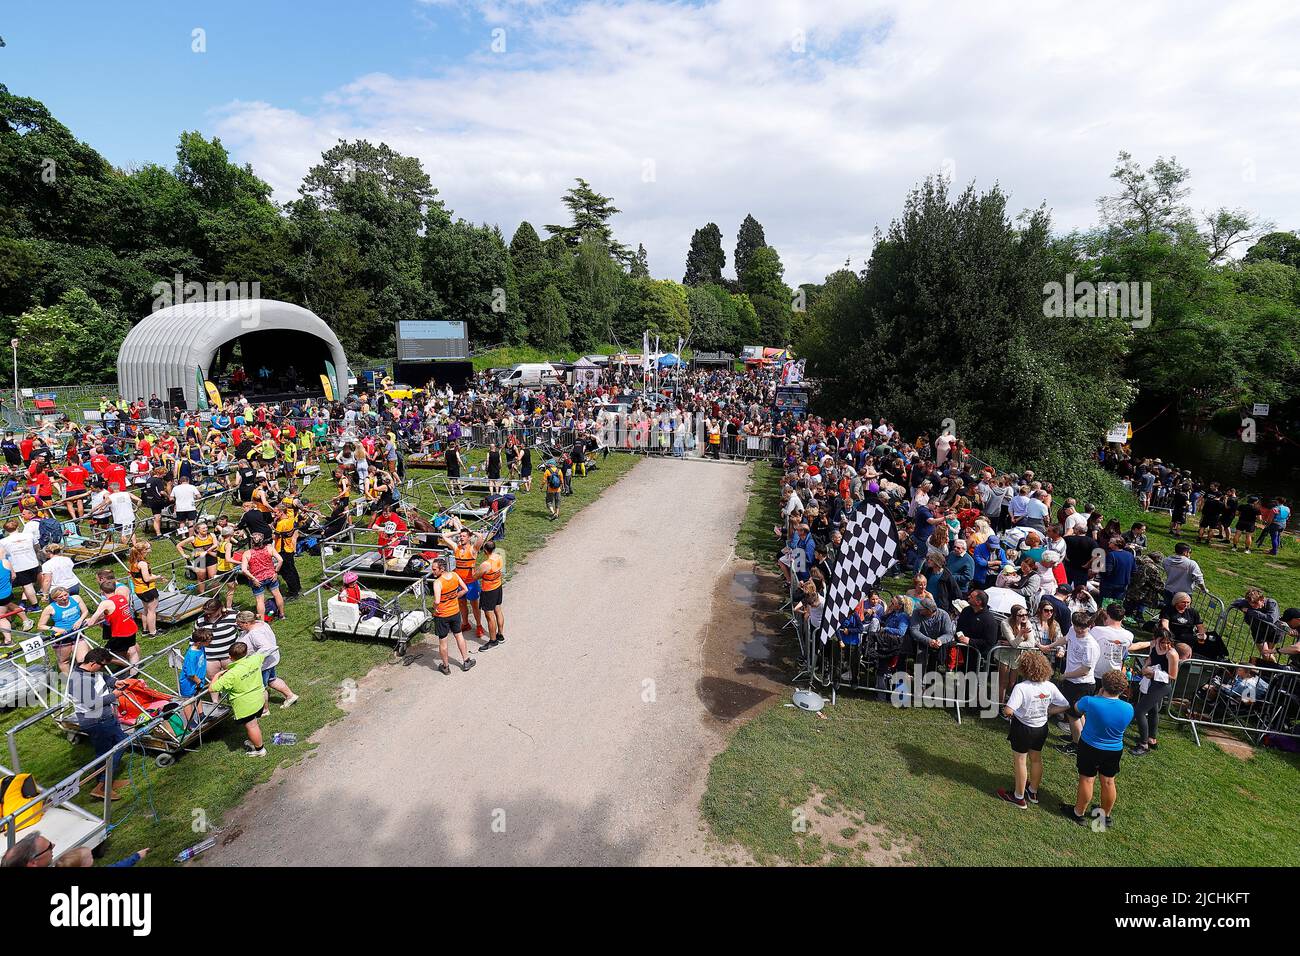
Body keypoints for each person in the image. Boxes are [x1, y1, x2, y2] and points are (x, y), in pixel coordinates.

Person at [996, 650, 1070, 809]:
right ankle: (1033, 791)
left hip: (1023, 728)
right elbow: (1065, 704)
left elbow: (1009, 710)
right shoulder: (1050, 686)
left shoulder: (1022, 687)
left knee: (1020, 761)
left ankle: (1018, 797)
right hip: (1041, 728)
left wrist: (1009, 713)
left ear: (1024, 668)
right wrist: (1049, 711)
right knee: (1036, 759)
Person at [1061, 669, 1134, 829]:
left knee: (1087, 779)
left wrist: (1097, 696)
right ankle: (1104, 816)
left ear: (1103, 686)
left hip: (1090, 746)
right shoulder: (1128, 708)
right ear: (1122, 689)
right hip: (1114, 749)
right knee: (1108, 781)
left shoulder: (1090, 701)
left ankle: (1078, 812)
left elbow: (1077, 708)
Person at [68, 647, 129, 800]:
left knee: (108, 749)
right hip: (96, 721)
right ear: (93, 663)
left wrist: (115, 682)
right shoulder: (78, 681)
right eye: (102, 665)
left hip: (105, 718)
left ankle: (107, 781)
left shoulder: (90, 671)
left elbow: (103, 677)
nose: (103, 668)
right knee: (109, 750)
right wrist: (113, 696)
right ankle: (102, 786)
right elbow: (92, 704)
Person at [1051, 610, 1100, 755]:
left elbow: (1085, 670)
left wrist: (1065, 675)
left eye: (1083, 628)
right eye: (1077, 626)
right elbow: (1065, 639)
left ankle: (1077, 746)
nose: (1079, 630)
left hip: (1082, 684)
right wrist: (1050, 646)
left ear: (1089, 626)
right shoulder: (1073, 630)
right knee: (1077, 715)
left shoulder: (1090, 645)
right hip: (1072, 682)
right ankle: (1080, 738)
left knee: (1073, 716)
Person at [209, 641, 268, 756]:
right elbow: (262, 655)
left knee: (252, 726)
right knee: (254, 723)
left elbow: (212, 688)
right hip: (258, 698)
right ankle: (253, 741)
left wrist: (216, 675)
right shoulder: (255, 659)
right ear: (246, 652)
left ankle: (260, 750)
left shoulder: (231, 674)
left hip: (245, 705)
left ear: (230, 657)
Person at [1127, 626, 1179, 755]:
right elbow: (1151, 659)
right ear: (1156, 640)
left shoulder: (1172, 654)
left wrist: (1153, 673)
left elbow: (1173, 676)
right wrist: (1145, 667)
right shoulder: (1154, 646)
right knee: (1153, 710)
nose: (1166, 645)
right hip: (1152, 682)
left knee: (1139, 711)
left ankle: (1143, 744)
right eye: (1162, 642)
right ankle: (1152, 739)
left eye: (1168, 642)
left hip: (1162, 686)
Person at [235, 611, 299, 711]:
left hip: (263, 664)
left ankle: (265, 710)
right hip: (270, 661)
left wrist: (254, 659)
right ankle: (290, 696)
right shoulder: (261, 623)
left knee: (261, 688)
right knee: (272, 680)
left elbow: (266, 647)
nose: (238, 626)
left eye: (239, 624)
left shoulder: (255, 634)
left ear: (246, 623)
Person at [83, 569, 140, 670]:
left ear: (102, 591)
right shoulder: (120, 597)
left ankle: (129, 666)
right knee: (130, 649)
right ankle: (134, 671)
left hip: (120, 632)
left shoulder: (105, 603)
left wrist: (89, 621)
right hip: (131, 628)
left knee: (106, 655)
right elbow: (116, 612)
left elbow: (91, 622)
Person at [430, 557, 475, 675]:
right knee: (459, 635)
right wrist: (455, 596)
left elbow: (437, 601)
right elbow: (465, 589)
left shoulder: (437, 583)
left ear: (442, 569)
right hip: (455, 612)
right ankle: (466, 661)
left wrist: (433, 608)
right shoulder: (455, 575)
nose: (433, 572)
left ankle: (445, 667)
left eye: (434, 569)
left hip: (442, 615)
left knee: (443, 641)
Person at [37, 586, 88, 674]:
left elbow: (85, 611)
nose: (64, 598)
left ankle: (85, 678)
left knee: (83, 659)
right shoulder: (50, 608)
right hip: (62, 637)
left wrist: (80, 620)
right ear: (54, 599)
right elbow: (40, 626)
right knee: (64, 661)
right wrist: (55, 629)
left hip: (78, 633)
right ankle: (69, 682)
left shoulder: (76, 598)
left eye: (66, 595)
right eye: (60, 597)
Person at [240, 532, 285, 621]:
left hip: (257, 580)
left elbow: (244, 570)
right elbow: (280, 560)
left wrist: (253, 579)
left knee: (260, 600)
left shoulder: (247, 553)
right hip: (271, 576)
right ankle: (282, 615)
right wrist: (276, 572)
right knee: (277, 594)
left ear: (252, 542)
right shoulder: (269, 549)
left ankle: (262, 622)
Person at [473, 539, 506, 650]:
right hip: (498, 586)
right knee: (498, 610)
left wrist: (474, 568)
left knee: (489, 616)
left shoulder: (486, 564)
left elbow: (475, 576)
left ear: (486, 551)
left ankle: (492, 640)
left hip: (488, 591)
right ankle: (500, 635)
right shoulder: (500, 557)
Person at [178, 628, 210, 725]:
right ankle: (190, 722)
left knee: (197, 695)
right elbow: (190, 674)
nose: (210, 642)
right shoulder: (192, 655)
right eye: (208, 641)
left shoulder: (201, 647)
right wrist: (198, 682)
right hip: (190, 681)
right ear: (200, 642)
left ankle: (201, 715)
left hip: (199, 679)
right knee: (188, 700)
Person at [127, 542, 159, 638]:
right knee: (152, 611)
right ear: (143, 551)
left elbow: (141, 576)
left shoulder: (133, 562)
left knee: (145, 610)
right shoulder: (143, 564)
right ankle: (153, 632)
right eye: (148, 548)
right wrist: (157, 577)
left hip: (139, 590)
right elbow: (147, 579)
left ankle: (145, 630)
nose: (150, 550)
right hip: (148, 589)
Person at [178, 521, 219, 594]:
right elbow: (179, 545)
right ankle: (202, 595)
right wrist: (183, 555)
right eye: (203, 528)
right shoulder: (193, 538)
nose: (206, 529)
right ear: (198, 530)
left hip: (211, 557)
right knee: (201, 578)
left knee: (213, 577)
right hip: (199, 559)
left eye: (206, 527)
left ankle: (216, 596)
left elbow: (215, 545)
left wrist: (206, 552)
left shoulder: (211, 535)